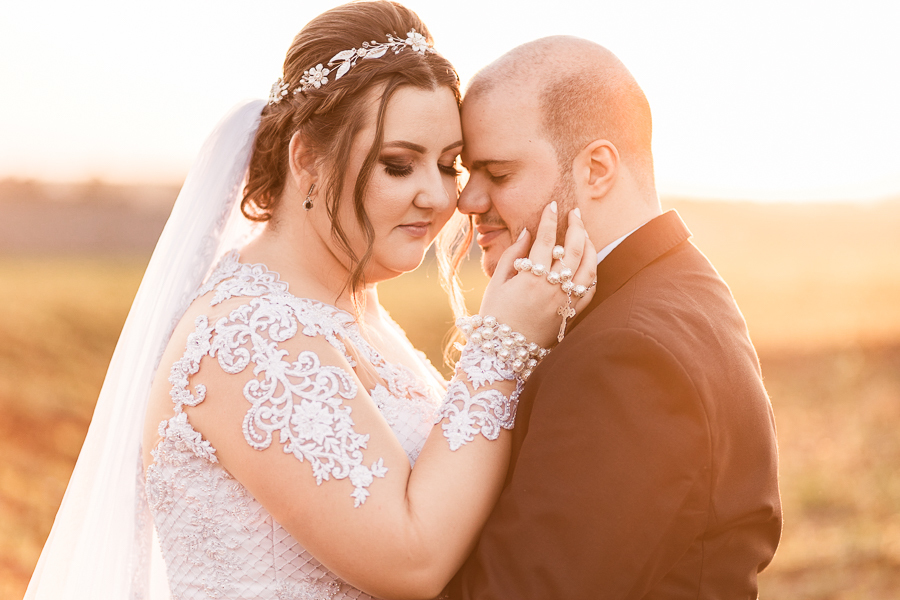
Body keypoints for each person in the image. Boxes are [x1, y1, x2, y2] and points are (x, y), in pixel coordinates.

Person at [24, 5, 598, 600]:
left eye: (448, 164)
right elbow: (412, 560)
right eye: (398, 165)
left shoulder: (357, 316)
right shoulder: (246, 339)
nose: (438, 194)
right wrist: (501, 350)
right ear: (307, 160)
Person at [449, 36, 782, 598]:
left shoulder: (627, 359)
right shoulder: (670, 287)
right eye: (466, 173)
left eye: (498, 174)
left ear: (597, 169)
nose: (467, 202)